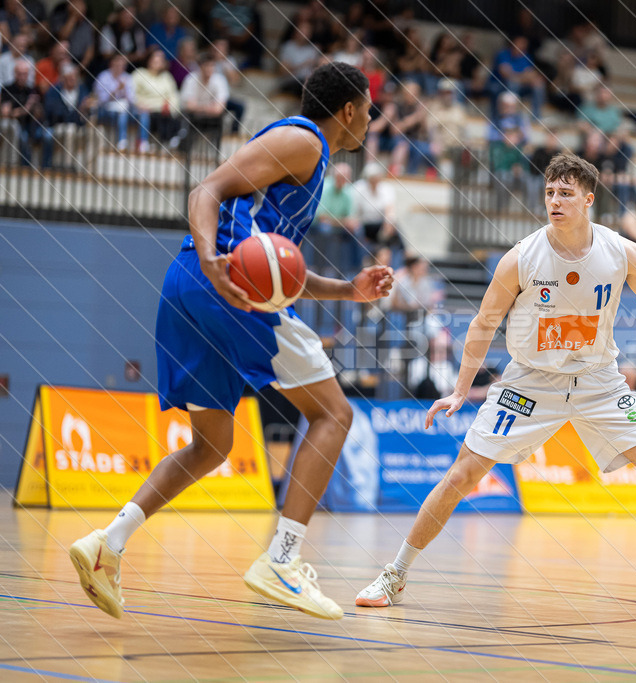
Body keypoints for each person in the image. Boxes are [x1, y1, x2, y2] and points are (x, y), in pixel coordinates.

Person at [356, 152, 636, 617]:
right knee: (462, 475)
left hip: (598, 382)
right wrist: (460, 389)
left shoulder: (622, 252)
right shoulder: (523, 257)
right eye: (549, 192)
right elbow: (484, 323)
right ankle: (395, 574)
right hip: (530, 383)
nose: (555, 200)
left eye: (566, 193)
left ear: (588, 200)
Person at [69, 62, 394, 621]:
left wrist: (350, 290)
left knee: (211, 446)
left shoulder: (304, 162)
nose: (371, 117)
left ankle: (108, 544)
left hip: (194, 288)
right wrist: (213, 264)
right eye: (368, 107)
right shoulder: (303, 141)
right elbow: (207, 189)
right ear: (347, 110)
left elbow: (280, 270)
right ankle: (282, 560)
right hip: (225, 287)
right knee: (334, 416)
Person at [309, 161, 361, 277]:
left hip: (338, 225)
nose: (342, 181)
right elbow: (321, 217)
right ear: (334, 177)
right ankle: (319, 269)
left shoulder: (348, 189)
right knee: (325, 230)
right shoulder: (325, 186)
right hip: (319, 225)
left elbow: (351, 215)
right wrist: (343, 222)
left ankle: (351, 270)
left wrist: (351, 222)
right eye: (340, 178)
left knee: (357, 231)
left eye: (345, 178)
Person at [0, 58, 50, 167]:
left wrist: (37, 106)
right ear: (15, 74)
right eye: (20, 74)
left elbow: (40, 114)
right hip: (17, 125)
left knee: (47, 136)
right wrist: (26, 108)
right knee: (23, 138)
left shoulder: (32, 90)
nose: (22, 77)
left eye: (25, 74)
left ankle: (46, 168)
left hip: (33, 125)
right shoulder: (8, 89)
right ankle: (25, 168)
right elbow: (6, 113)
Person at [132, 49, 180, 151]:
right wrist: (142, 105)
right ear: (148, 60)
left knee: (176, 118)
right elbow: (132, 95)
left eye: (160, 61)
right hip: (145, 111)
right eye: (155, 60)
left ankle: (171, 142)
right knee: (156, 118)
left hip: (164, 111)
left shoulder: (167, 77)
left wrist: (170, 107)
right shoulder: (139, 74)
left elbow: (173, 95)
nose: (157, 63)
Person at [180, 52, 229, 149]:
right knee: (189, 119)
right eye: (206, 65)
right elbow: (189, 106)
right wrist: (209, 107)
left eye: (212, 65)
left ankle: (215, 151)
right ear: (200, 66)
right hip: (192, 117)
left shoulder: (220, 80)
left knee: (219, 120)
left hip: (210, 118)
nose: (209, 69)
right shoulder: (191, 79)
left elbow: (219, 110)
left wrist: (199, 107)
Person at [352, 162, 402, 253]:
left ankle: (396, 263)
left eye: (376, 178)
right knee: (355, 232)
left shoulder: (387, 188)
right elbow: (355, 212)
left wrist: (389, 224)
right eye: (372, 179)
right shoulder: (358, 188)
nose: (375, 181)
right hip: (363, 224)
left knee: (396, 233)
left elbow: (389, 210)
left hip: (380, 224)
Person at [93, 54, 135, 151]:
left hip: (124, 109)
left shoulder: (127, 78)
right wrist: (116, 90)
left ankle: (135, 144)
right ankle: (121, 141)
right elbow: (101, 99)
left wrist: (124, 91)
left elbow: (132, 100)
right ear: (112, 63)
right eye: (118, 64)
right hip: (106, 109)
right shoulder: (103, 76)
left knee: (133, 113)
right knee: (122, 113)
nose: (120, 67)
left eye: (122, 65)